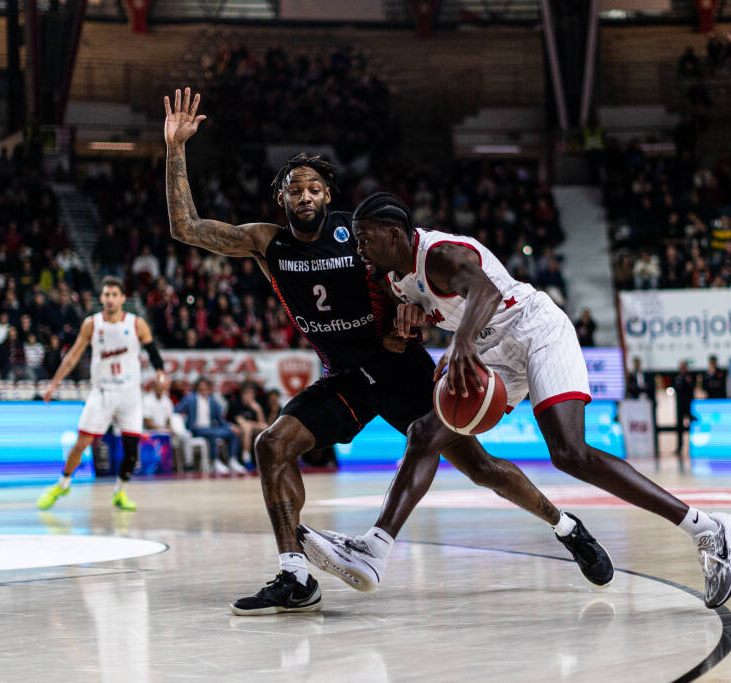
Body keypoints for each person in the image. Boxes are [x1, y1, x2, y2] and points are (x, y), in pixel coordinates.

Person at [164, 88, 611, 616]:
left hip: (399, 366)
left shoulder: (359, 234)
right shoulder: (267, 243)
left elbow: (411, 279)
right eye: (293, 190)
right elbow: (186, 229)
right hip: (347, 377)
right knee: (271, 445)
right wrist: (175, 148)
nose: (304, 196)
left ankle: (566, 527)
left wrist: (411, 319)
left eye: (313, 188)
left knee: (481, 467)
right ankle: (295, 575)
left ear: (328, 195)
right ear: (280, 200)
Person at [337, 192, 731, 609]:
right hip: (491, 351)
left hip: (535, 329)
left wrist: (458, 343)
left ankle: (708, 528)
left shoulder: (440, 253)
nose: (359, 248)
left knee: (570, 453)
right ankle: (376, 548)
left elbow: (486, 292)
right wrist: (409, 326)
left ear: (393, 234)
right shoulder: (390, 280)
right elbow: (421, 315)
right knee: (424, 433)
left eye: (365, 238)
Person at [36, 276, 167, 512]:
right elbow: (73, 356)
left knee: (131, 452)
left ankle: (120, 491)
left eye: (114, 295)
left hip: (129, 395)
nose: (109, 299)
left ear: (123, 298)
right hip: (102, 392)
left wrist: (160, 372)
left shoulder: (137, 324)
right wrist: (53, 384)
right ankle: (63, 483)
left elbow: (153, 351)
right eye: (106, 295)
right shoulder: (92, 324)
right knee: (81, 443)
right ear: (102, 298)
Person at [176, 378, 244, 474]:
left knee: (233, 432)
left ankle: (233, 460)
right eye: (201, 388)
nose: (203, 391)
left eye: (205, 388)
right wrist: (182, 420)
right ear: (197, 389)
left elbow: (220, 419)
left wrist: (230, 426)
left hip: (211, 428)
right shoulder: (190, 399)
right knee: (212, 433)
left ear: (208, 389)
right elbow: (177, 410)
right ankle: (215, 461)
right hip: (197, 428)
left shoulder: (212, 401)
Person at [226, 385, 268, 467]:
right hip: (234, 427)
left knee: (265, 427)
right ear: (242, 394)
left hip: (249, 427)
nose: (249, 396)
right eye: (247, 394)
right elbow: (241, 422)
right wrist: (254, 424)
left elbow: (262, 422)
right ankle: (246, 458)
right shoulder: (235, 403)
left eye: (251, 394)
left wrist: (258, 410)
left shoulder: (254, 405)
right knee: (247, 428)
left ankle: (265, 456)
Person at [672, 361, 696, 461]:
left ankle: (692, 446)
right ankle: (679, 447)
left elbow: (690, 387)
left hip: (689, 405)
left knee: (691, 426)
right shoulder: (677, 376)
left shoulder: (690, 376)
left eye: (683, 366)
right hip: (680, 405)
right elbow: (675, 387)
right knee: (679, 427)